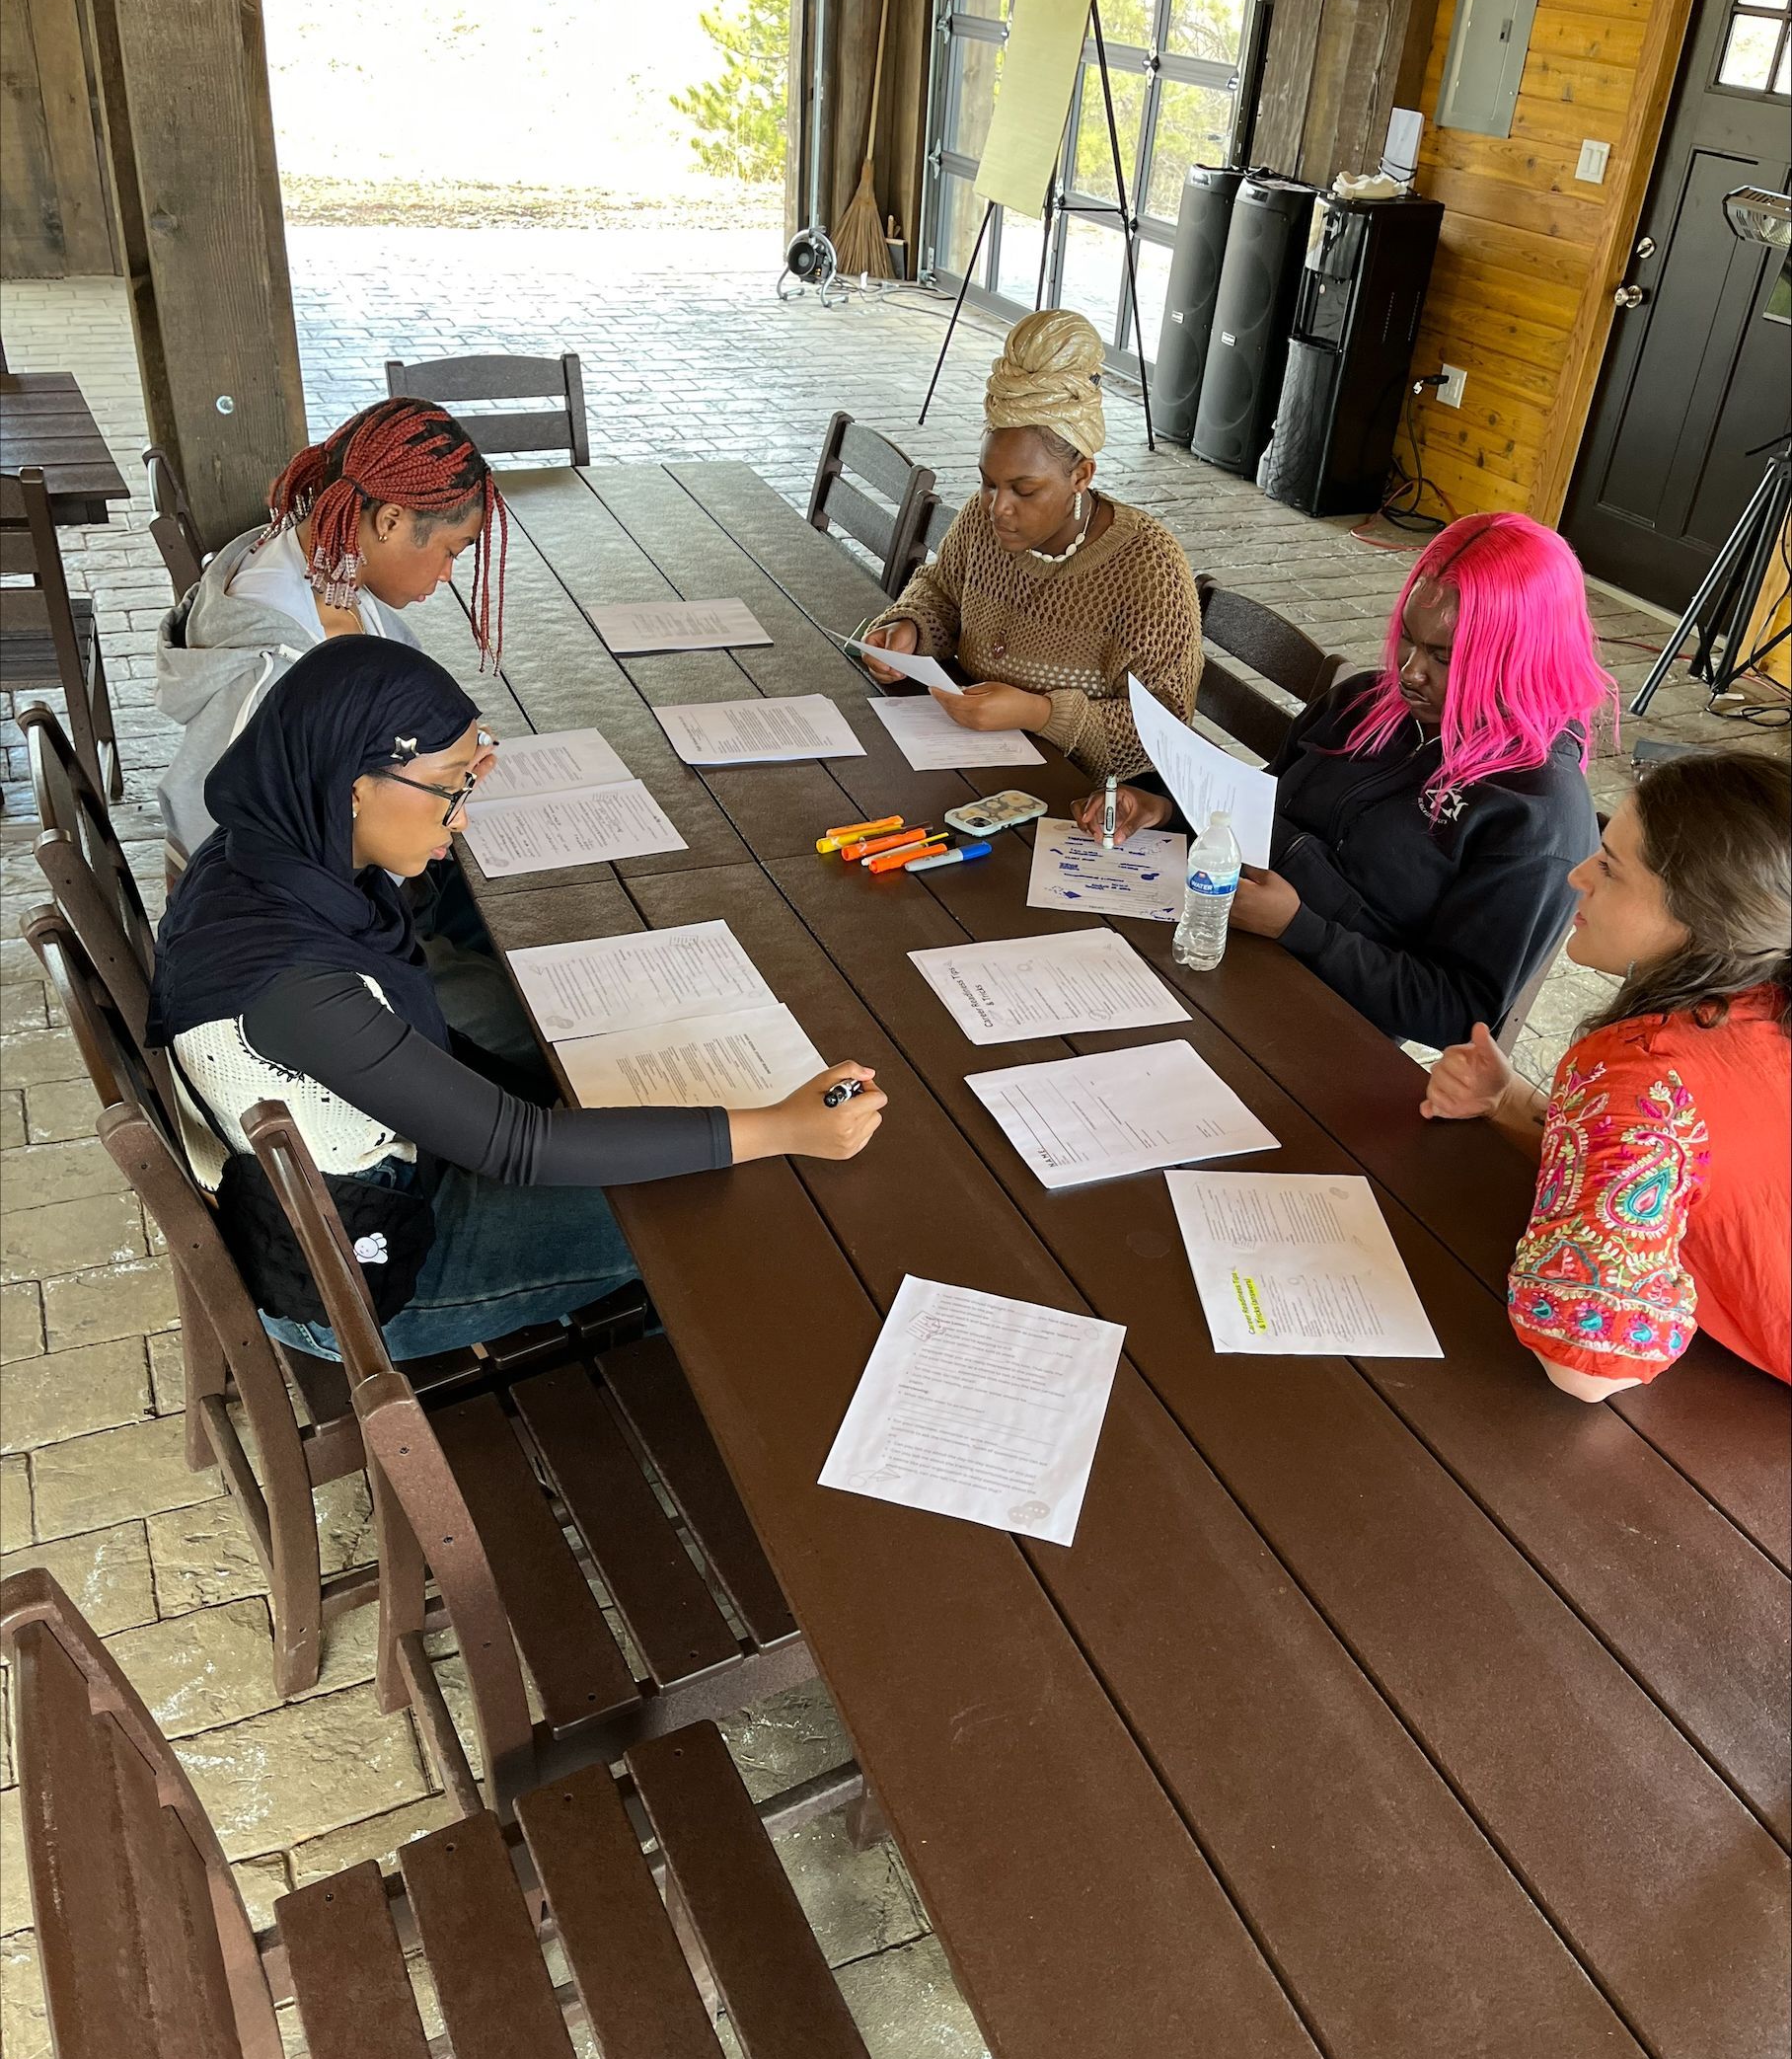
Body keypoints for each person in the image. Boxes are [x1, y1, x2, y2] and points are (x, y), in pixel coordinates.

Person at [147, 636, 884, 1364]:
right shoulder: (293, 983)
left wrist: (449, 768)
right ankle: (689, 1376)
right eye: (451, 786)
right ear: (353, 784)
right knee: (717, 1198)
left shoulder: (270, 846)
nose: (462, 814)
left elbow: (430, 1059)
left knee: (621, 1103)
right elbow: (516, 1147)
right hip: (371, 1270)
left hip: (374, 1181)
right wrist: (786, 1126)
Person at [1076, 512, 1616, 1048]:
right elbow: (1261, 807)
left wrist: (1301, 929)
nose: (1410, 672)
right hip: (1220, 939)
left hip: (1326, 1021)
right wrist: (1166, 804)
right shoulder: (1365, 702)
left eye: (1444, 657)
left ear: (1519, 658)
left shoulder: (1536, 817)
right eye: (1407, 639)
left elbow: (1462, 1013)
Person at [1421, 747, 1790, 1396]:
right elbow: (1695, 1168)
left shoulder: (1643, 1069)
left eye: (1612, 870)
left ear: (1704, 919)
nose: (1578, 876)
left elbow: (1586, 1361)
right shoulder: (1767, 996)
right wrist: (1510, 1100)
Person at [155, 396, 506, 862]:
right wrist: (435, 794)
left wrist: (444, 753)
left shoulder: (324, 568)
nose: (447, 574)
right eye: (452, 551)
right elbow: (224, 835)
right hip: (303, 913)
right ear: (390, 521)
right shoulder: (276, 664)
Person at [857, 309, 1203, 778]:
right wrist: (912, 630)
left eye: (1024, 490)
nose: (998, 507)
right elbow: (942, 593)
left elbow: (1166, 733)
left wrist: (1038, 713)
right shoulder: (982, 523)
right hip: (968, 769)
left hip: (1078, 800)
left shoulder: (1147, 568)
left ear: (1081, 475)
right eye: (987, 482)